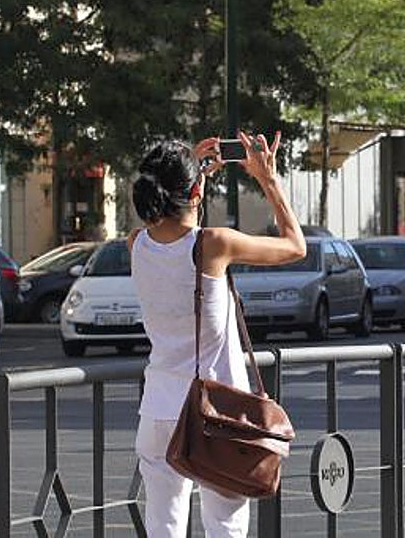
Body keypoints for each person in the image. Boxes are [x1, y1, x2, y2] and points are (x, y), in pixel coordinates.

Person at [128, 131, 306, 538]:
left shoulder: (136, 244)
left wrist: (187, 169)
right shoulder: (213, 244)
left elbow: (173, 230)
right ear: (195, 191)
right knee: (224, 526)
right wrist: (268, 179)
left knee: (163, 528)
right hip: (216, 413)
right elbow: (295, 246)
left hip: (157, 410)